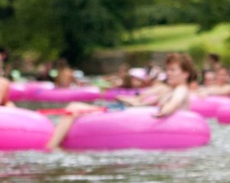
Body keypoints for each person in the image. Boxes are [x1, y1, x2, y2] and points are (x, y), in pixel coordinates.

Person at [46, 52, 194, 149]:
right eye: (167, 70)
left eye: (173, 70)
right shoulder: (169, 90)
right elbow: (143, 103)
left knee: (74, 107)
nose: (168, 73)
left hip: (141, 121)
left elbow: (174, 103)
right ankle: (57, 143)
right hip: (133, 114)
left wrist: (164, 111)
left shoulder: (181, 90)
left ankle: (50, 148)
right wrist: (128, 101)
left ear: (185, 74)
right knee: (76, 108)